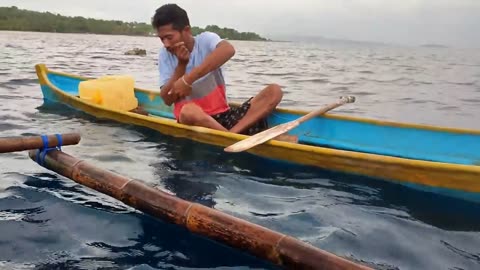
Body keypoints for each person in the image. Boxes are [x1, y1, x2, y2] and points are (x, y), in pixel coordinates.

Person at [152, 3, 285, 136]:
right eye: (162, 38)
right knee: (188, 110)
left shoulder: (205, 40)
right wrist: (181, 65)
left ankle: (230, 135)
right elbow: (167, 100)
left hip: (223, 117)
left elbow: (228, 50)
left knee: (274, 91)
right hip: (192, 120)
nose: (166, 44)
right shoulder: (165, 54)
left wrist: (188, 79)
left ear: (186, 31)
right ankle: (233, 137)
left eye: (169, 37)